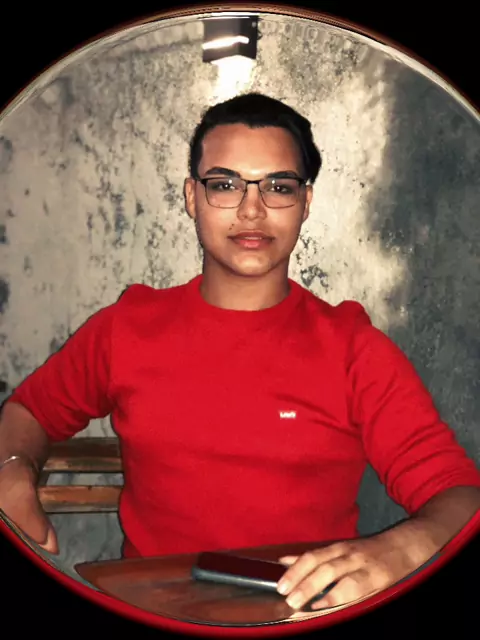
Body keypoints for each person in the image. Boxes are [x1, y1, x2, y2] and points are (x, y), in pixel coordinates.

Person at [0, 92, 479, 612]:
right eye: (225, 185)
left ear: (306, 203)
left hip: (301, 616)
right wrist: (13, 469)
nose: (253, 209)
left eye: (279, 187)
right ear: (192, 197)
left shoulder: (353, 349)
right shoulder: (126, 328)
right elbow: (28, 411)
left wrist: (405, 547)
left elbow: (460, 494)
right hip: (153, 612)